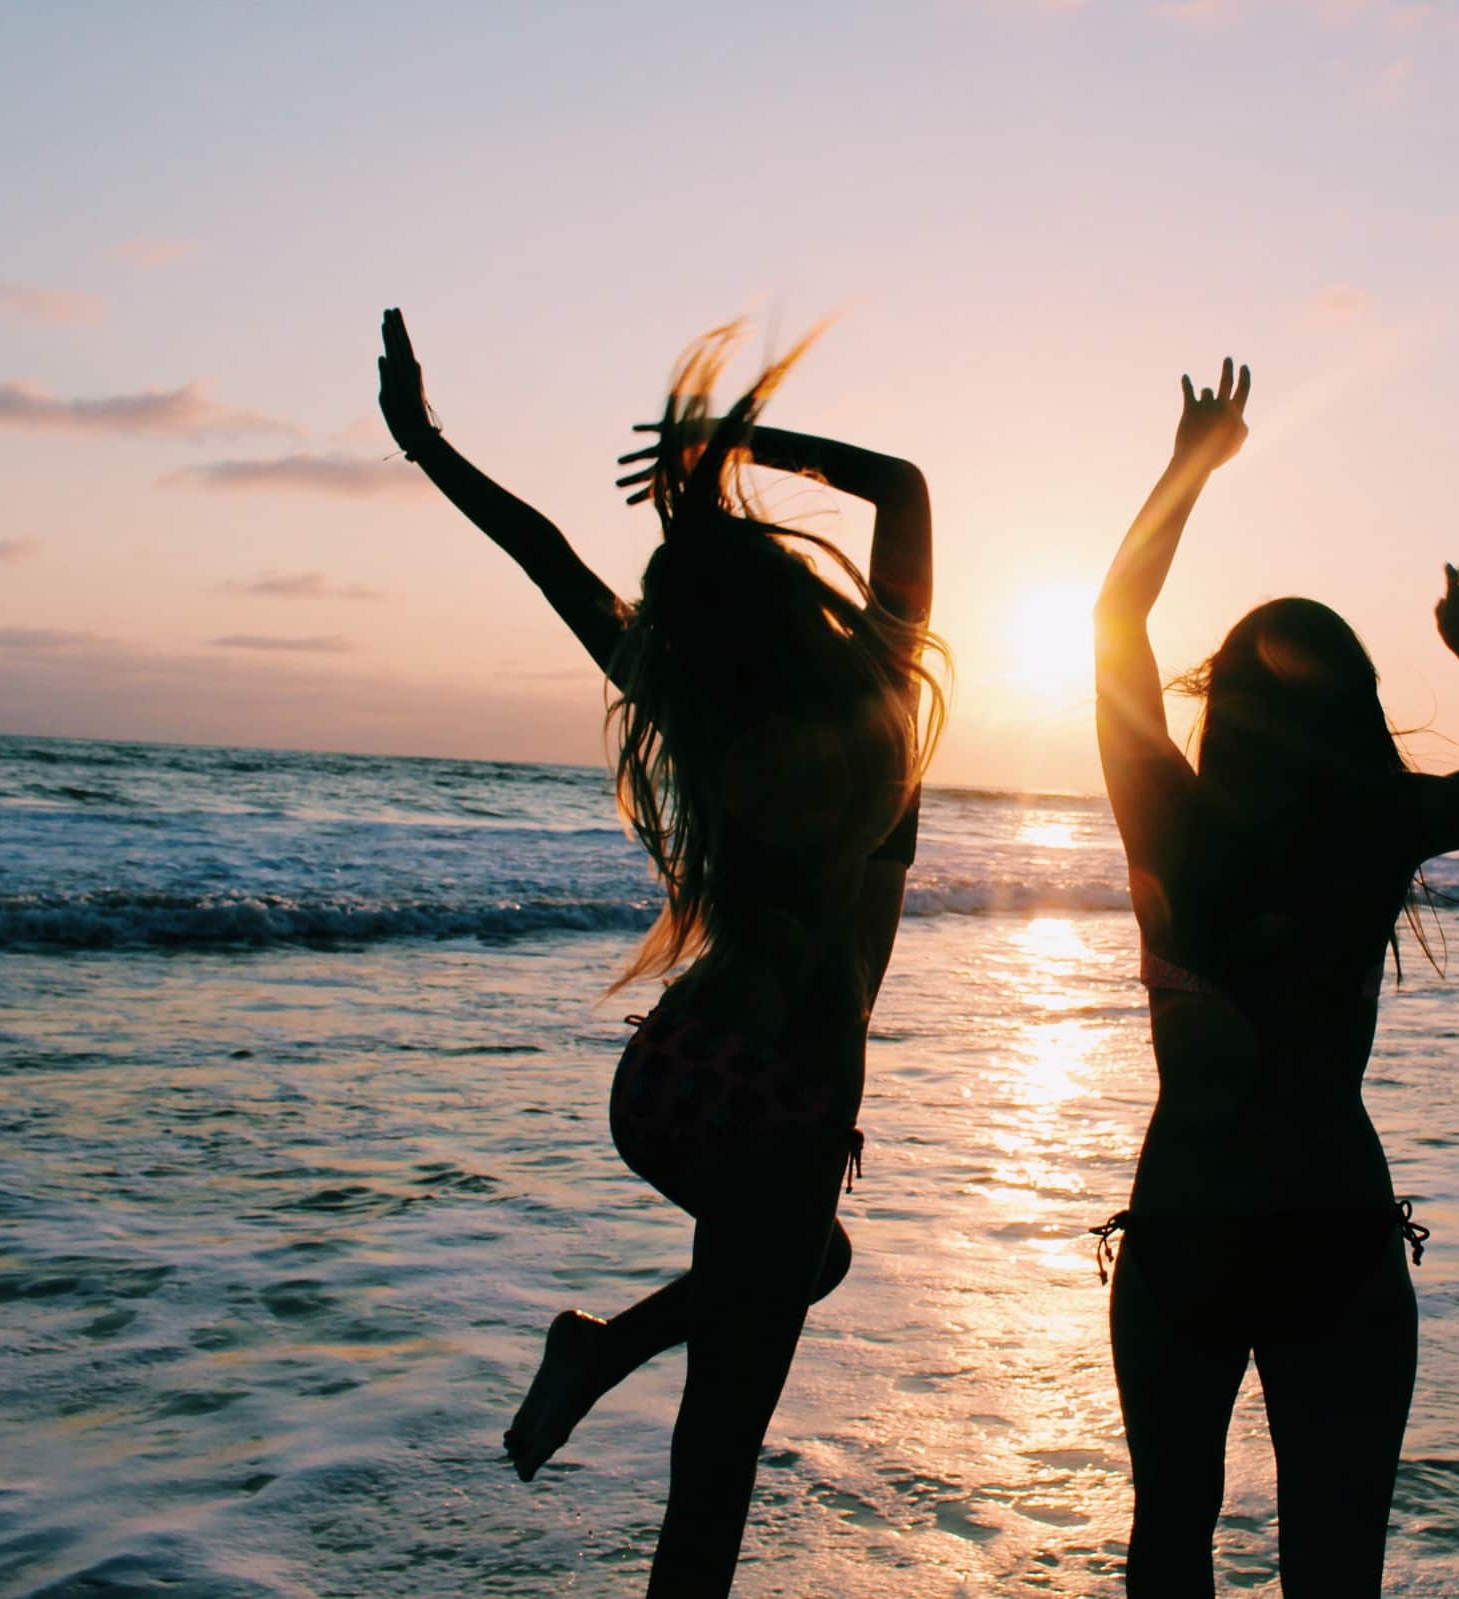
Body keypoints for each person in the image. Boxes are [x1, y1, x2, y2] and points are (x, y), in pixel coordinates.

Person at [377, 309, 945, 1598]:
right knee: (717, 1469)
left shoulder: (693, 706)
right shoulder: (883, 690)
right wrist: (746, 447)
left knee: (812, 1265)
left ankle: (599, 1347)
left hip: (674, 1074)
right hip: (792, 1093)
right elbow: (902, 487)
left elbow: (548, 557)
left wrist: (427, 446)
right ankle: (599, 1352)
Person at [1091, 358, 1459, 1596]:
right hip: (1331, 1221)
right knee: (1335, 1555)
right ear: (1354, 710)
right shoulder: (1378, 831)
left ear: (1227, 708)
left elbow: (1115, 625)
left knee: (1167, 1540)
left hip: (1189, 1216)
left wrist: (1189, 468)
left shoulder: (1169, 821)